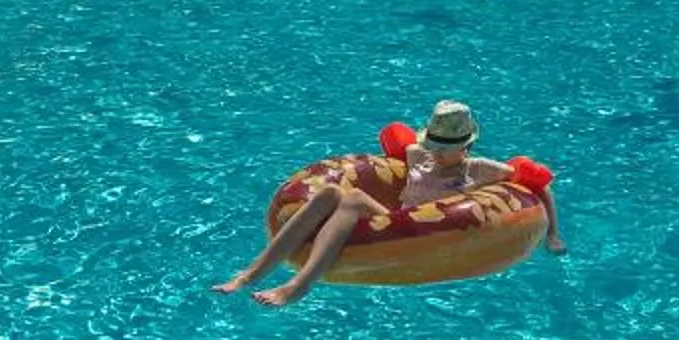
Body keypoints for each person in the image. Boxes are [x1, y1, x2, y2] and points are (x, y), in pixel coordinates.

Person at [215, 100, 565, 307]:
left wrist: (552, 235)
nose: (436, 154)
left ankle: (299, 286)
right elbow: (391, 149)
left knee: (352, 199)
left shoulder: (481, 169)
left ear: (466, 147)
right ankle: (249, 275)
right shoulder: (418, 155)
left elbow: (536, 184)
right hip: (392, 220)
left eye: (445, 149)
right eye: (434, 146)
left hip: (421, 230)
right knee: (328, 193)